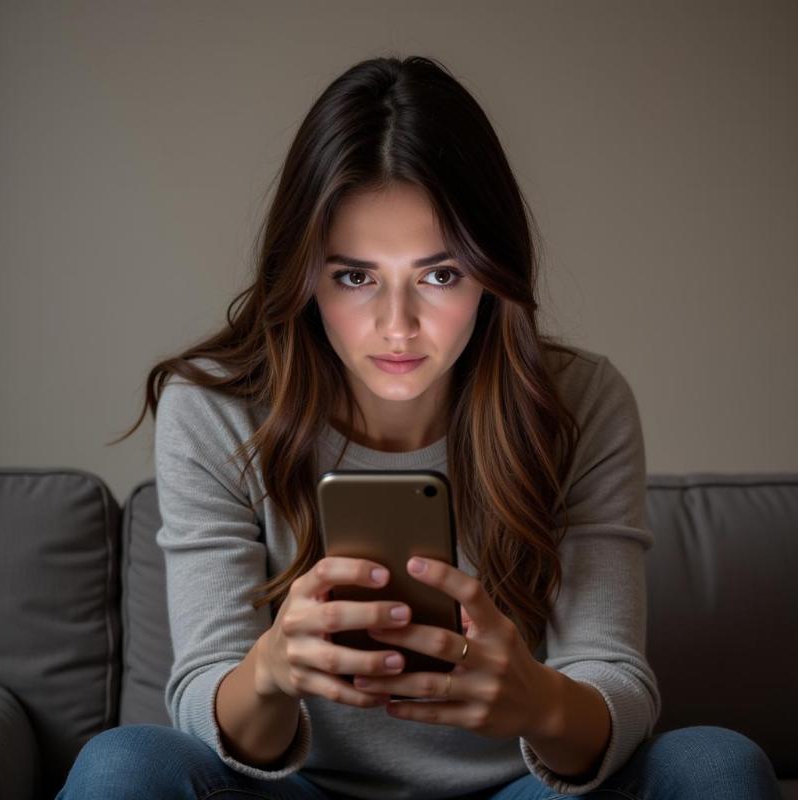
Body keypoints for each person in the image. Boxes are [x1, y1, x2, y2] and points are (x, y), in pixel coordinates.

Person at [56, 55, 782, 800]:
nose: (397, 327)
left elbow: (612, 678)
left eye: (440, 276)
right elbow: (205, 697)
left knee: (715, 764)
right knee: (124, 762)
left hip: (519, 791)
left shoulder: (581, 399)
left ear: (491, 272)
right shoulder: (214, 408)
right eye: (355, 276)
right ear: (304, 275)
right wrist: (273, 669)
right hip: (296, 789)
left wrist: (536, 698)